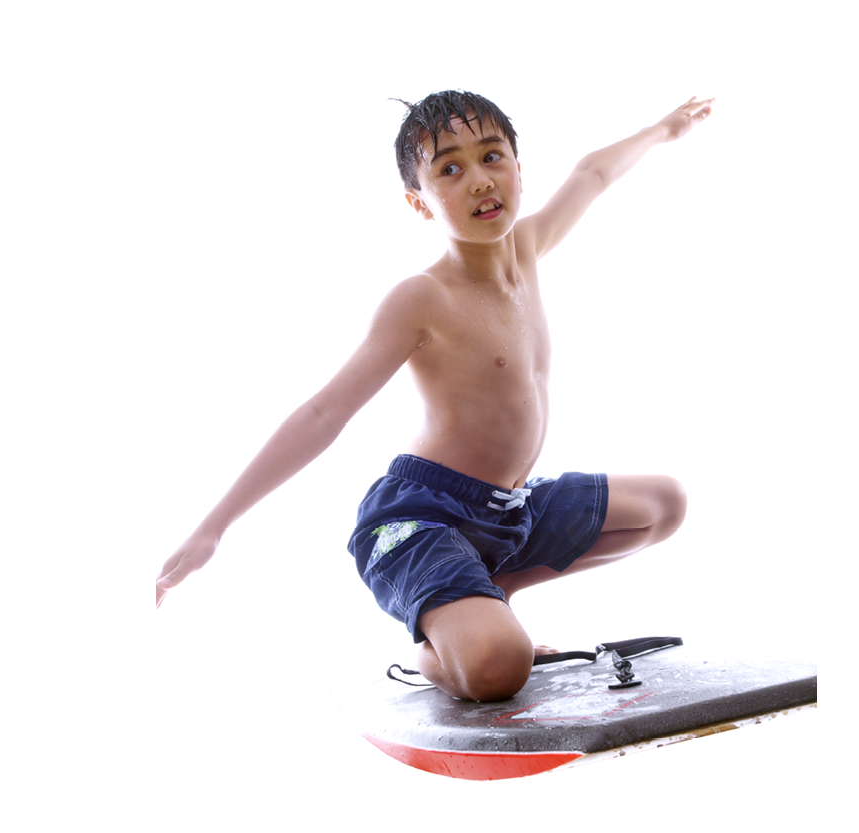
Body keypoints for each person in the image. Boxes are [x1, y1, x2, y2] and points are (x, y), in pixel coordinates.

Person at [156, 90, 713, 701]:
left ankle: (487, 593)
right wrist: (214, 526)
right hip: (420, 518)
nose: (478, 180)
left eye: (491, 156)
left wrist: (667, 128)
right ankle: (438, 650)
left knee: (664, 505)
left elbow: (593, 172)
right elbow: (323, 412)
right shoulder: (423, 299)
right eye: (449, 168)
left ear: (518, 170)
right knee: (502, 666)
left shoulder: (528, 249)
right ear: (419, 202)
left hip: (508, 511)